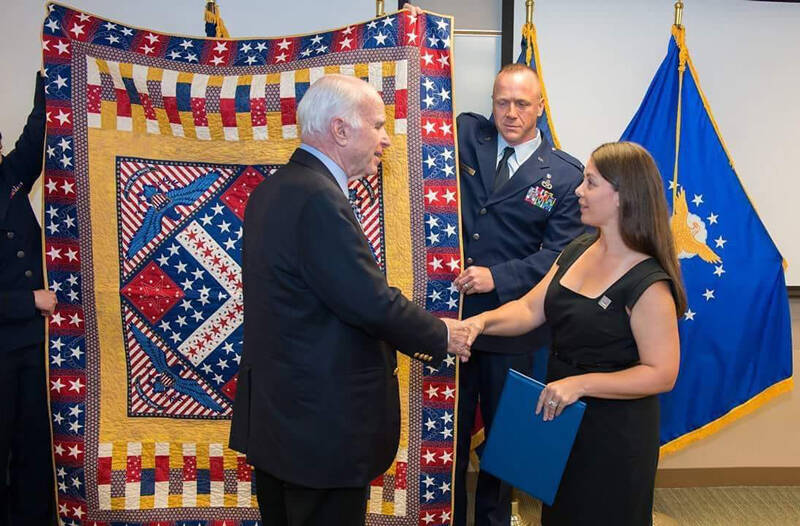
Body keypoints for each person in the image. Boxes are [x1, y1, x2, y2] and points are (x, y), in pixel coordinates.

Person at [228, 74, 472, 526]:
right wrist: (443, 333)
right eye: (378, 126)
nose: (386, 140)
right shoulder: (318, 198)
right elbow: (369, 301)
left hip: (281, 423)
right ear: (340, 130)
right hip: (321, 431)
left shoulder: (272, 190)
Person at [464, 142, 686, 525]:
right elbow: (531, 309)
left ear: (621, 196)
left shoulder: (649, 283)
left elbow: (661, 373)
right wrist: (480, 323)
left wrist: (581, 384)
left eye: (590, 182)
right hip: (562, 416)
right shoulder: (578, 248)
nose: (579, 191)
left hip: (614, 433)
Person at [0, 72, 57, 526]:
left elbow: (35, 142)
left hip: (33, 346)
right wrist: (29, 301)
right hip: (4, 342)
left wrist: (50, 82)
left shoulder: (8, 176)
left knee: (36, 445)